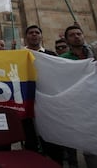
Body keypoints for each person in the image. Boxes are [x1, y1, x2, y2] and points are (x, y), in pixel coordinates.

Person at [61, 25, 97, 168]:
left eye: (79, 33)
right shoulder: (64, 59)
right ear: (67, 40)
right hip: (85, 107)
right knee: (90, 147)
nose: (76, 36)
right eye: (72, 35)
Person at [24, 25, 65, 165]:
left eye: (37, 32)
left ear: (41, 36)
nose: (34, 35)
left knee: (52, 143)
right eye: (31, 33)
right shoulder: (18, 55)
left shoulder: (51, 55)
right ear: (26, 36)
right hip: (27, 103)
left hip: (48, 104)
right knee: (30, 141)